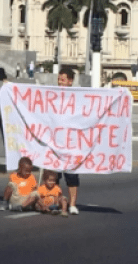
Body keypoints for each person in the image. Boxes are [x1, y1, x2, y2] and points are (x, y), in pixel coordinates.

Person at [57, 67, 80, 215]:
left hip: (71, 143)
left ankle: (72, 204)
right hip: (55, 143)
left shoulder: (78, 97)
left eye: (63, 80)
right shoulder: (52, 95)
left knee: (71, 176)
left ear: (70, 81)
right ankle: (58, 202)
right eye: (58, 79)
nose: (59, 82)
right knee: (53, 176)